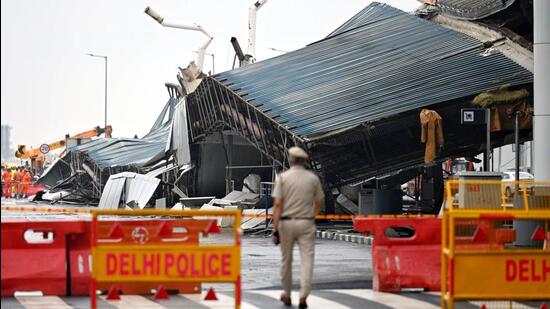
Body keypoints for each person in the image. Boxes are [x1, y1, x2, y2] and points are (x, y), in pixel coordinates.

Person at [271, 146, 324, 309]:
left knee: (286, 259)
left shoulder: (283, 178)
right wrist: (312, 215)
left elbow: (278, 204)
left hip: (286, 223)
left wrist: (275, 229)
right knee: (307, 259)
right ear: (304, 162)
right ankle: (303, 295)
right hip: (306, 222)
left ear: (290, 160)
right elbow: (319, 201)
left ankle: (286, 294)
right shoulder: (313, 179)